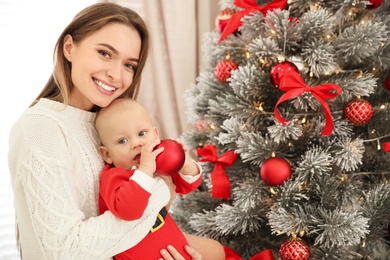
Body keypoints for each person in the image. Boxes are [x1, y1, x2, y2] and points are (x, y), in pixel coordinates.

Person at [7, 3, 201, 259]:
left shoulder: (110, 125)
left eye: (129, 65)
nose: (115, 74)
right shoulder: (41, 127)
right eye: (105, 53)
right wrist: (163, 187)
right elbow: (64, 250)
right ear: (69, 48)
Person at [96, 98, 226, 260]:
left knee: (217, 251)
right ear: (107, 154)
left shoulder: (157, 164)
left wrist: (184, 163)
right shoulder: (114, 177)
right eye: (122, 141)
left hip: (178, 252)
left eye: (142, 133)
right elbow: (128, 211)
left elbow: (187, 186)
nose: (136, 143)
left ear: (155, 135)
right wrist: (145, 170)